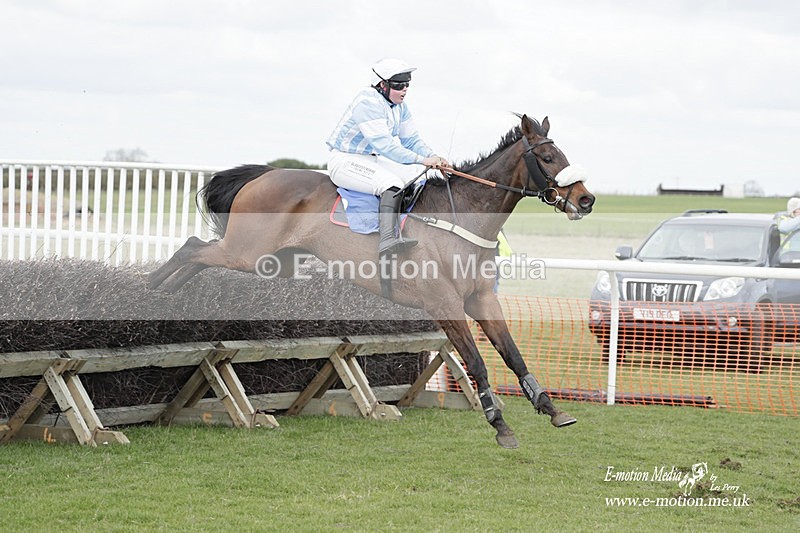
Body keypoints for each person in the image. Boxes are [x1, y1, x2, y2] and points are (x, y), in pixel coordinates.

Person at [326, 58, 449, 256]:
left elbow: (411, 140)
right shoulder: (367, 102)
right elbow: (385, 146)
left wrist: (433, 157)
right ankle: (388, 240)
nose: (405, 89)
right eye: (399, 85)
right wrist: (423, 159)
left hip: (372, 159)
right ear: (382, 85)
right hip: (345, 161)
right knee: (392, 184)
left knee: (421, 176)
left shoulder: (400, 106)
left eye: (407, 84)